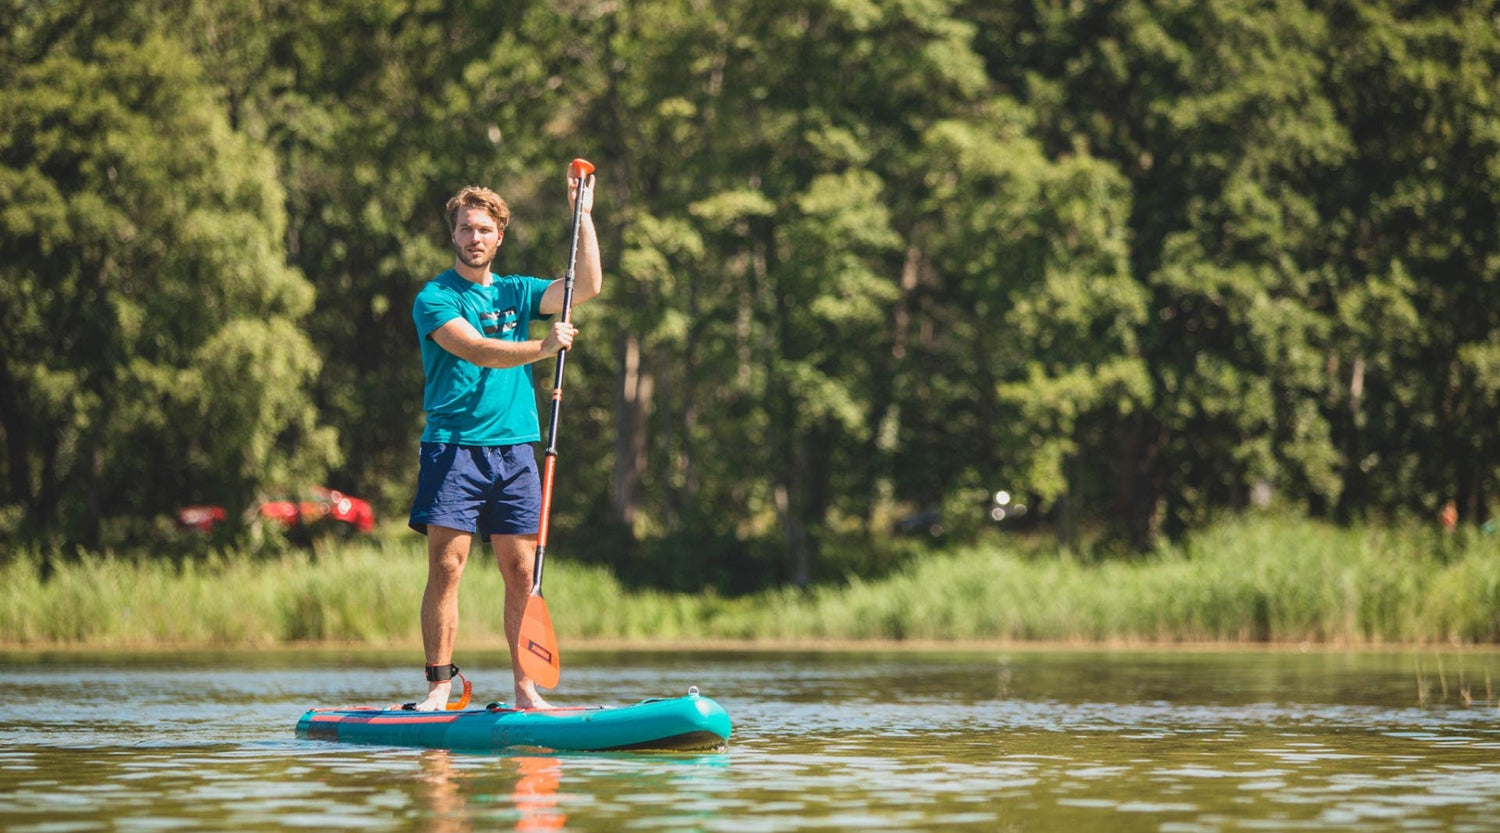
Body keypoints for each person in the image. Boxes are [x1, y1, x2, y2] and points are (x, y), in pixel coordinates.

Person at [406, 169, 599, 711]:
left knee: (521, 571)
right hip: (453, 446)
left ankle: (525, 691)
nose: (474, 238)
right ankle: (439, 688)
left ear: (499, 237)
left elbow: (585, 286)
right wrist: (544, 346)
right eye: (465, 228)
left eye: (484, 230)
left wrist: (582, 215)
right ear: (454, 236)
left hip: (515, 451)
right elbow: (475, 349)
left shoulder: (520, 292)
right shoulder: (435, 297)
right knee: (447, 568)